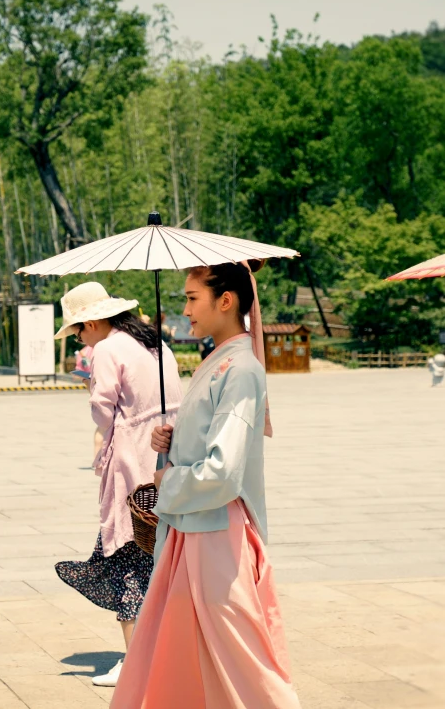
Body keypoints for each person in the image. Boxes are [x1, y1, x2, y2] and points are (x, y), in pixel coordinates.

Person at [110, 261, 301, 709]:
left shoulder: (240, 369)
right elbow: (211, 444)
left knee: (241, 657)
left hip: (218, 533)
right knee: (186, 648)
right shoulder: (219, 362)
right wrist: (172, 441)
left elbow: (224, 470)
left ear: (226, 301)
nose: (186, 309)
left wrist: (168, 478)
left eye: (192, 298)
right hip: (196, 526)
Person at [53, 282, 182, 687]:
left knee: (127, 558)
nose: (79, 339)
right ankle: (160, 653)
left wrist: (94, 394)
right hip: (168, 453)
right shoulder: (152, 341)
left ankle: (136, 661)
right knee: (155, 555)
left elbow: (103, 410)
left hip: (131, 460)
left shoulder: (107, 349)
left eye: (77, 332)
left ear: (91, 323)